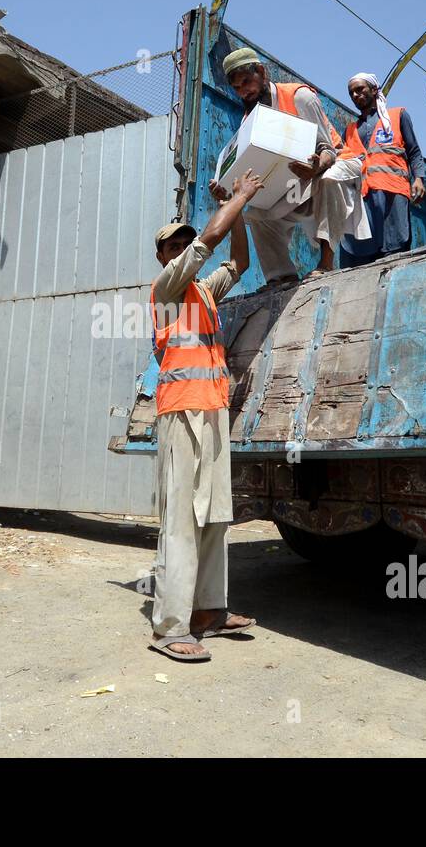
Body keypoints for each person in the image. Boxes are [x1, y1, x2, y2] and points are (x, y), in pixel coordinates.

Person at [147, 169, 262, 662]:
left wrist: (241, 211)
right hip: (180, 416)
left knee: (214, 515)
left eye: (185, 241)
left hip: (212, 415)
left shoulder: (205, 293)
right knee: (179, 523)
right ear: (164, 255)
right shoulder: (166, 288)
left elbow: (238, 258)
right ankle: (171, 625)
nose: (184, 248)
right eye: (175, 245)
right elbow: (213, 238)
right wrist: (237, 198)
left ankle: (208, 611)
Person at [216, 47, 362, 284]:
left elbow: (328, 150)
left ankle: (326, 263)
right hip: (296, 181)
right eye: (237, 88)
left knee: (328, 178)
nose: (244, 92)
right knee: (257, 214)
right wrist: (229, 190)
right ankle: (280, 277)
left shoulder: (299, 97)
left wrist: (316, 167)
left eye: (247, 82)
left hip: (337, 166)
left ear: (262, 72)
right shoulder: (249, 119)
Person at [337, 73, 426, 267]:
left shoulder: (398, 115)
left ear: (374, 90)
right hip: (363, 197)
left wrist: (418, 178)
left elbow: (414, 151)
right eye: (351, 92)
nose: (355, 95)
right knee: (362, 253)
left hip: (392, 192)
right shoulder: (350, 130)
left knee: (394, 249)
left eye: (359, 89)